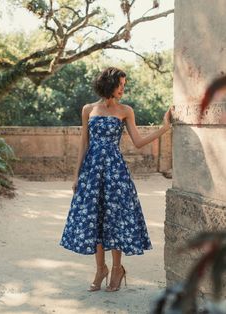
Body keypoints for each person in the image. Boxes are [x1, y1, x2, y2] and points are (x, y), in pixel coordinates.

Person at [59, 67, 172, 292]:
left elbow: (138, 142)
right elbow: (84, 143)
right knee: (95, 218)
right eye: (120, 84)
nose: (123, 88)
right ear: (109, 84)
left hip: (115, 173)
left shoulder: (125, 110)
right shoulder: (88, 109)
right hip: (91, 172)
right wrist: (76, 175)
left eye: (124, 85)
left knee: (115, 219)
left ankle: (117, 268)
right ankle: (100, 269)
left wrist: (165, 128)